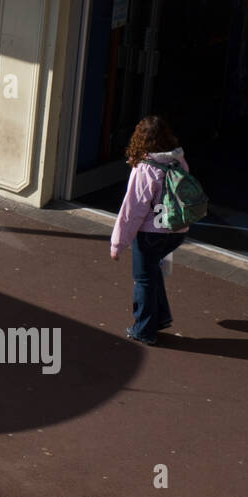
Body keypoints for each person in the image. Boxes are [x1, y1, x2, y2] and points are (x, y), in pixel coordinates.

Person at [109, 115, 190, 345]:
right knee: (153, 272)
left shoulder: (145, 168)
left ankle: (143, 329)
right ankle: (160, 317)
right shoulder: (178, 160)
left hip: (151, 234)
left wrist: (118, 244)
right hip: (177, 231)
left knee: (143, 279)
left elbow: (132, 211)